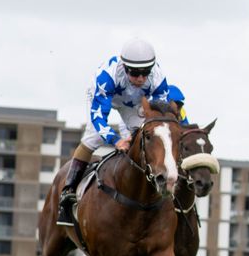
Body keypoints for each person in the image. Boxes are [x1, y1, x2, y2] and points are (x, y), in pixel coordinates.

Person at [56, 38, 172, 227]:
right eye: (135, 73)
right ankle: (67, 192)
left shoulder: (158, 78)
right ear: (125, 68)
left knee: (144, 135)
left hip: (133, 103)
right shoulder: (107, 77)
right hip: (105, 96)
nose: (141, 78)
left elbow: (160, 117)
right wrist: (115, 139)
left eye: (145, 72)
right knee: (93, 137)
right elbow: (99, 118)